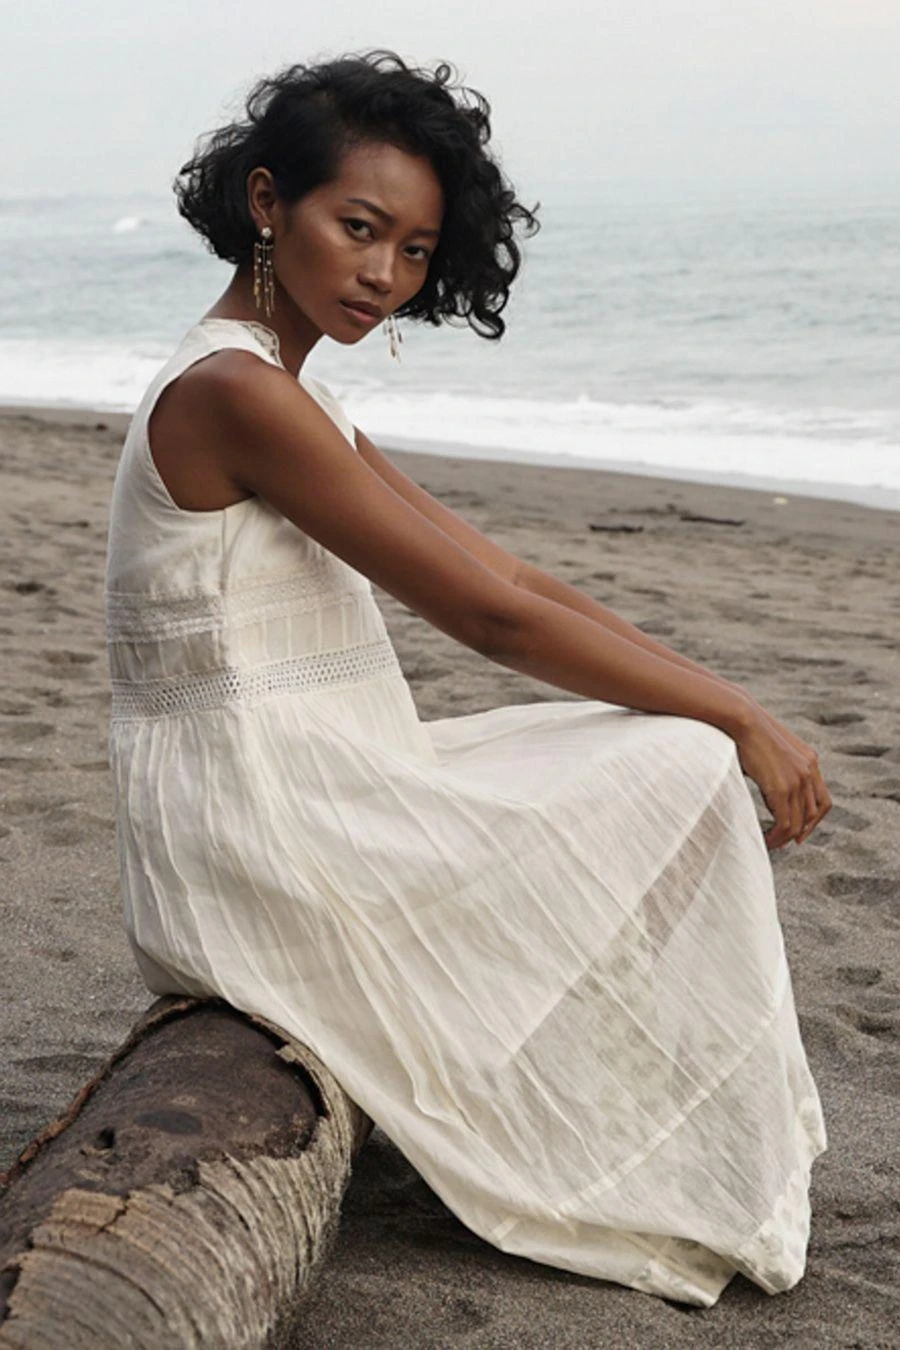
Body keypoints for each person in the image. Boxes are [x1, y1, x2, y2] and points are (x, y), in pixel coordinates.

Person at [105, 50, 830, 1307]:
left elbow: (510, 573)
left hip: (321, 781)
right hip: (262, 830)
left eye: (415, 251)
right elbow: (486, 616)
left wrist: (734, 704)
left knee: (672, 750)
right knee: (677, 759)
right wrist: (732, 714)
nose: (384, 275)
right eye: (359, 229)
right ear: (268, 202)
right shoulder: (232, 392)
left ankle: (549, 1083)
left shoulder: (287, 392)